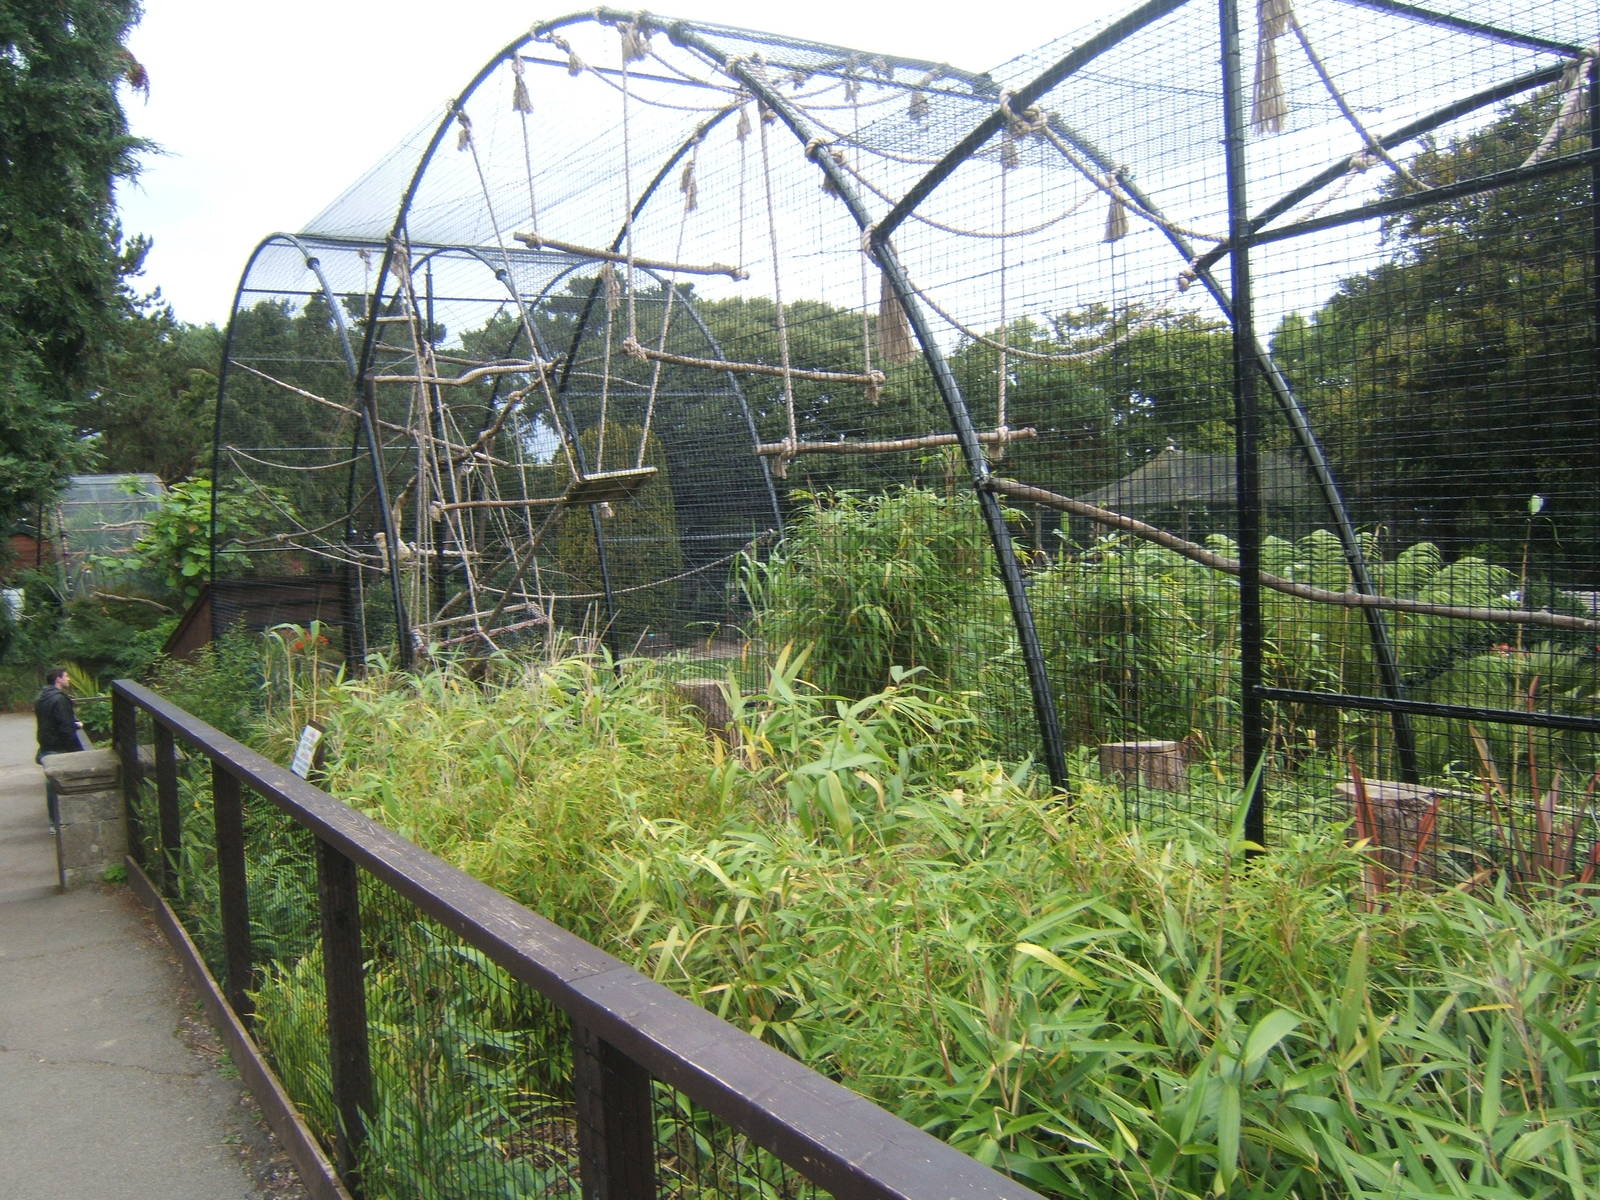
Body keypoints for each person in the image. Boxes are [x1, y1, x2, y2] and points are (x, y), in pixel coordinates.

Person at [35, 667, 83, 830]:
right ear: (58, 679)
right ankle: (60, 821)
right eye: (67, 676)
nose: (69, 679)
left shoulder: (42, 697)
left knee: (51, 784)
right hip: (59, 746)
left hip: (47, 744)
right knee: (59, 785)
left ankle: (53, 822)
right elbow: (65, 727)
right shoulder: (60, 699)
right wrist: (77, 750)